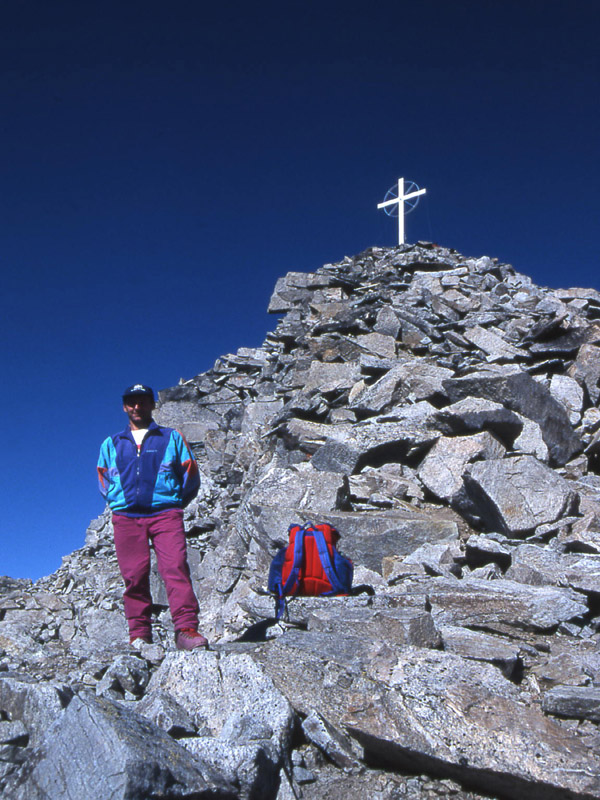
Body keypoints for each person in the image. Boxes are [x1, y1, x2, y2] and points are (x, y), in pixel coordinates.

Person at [97, 383, 208, 650]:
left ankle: (186, 629)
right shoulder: (111, 443)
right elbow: (103, 479)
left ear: (152, 405)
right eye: (132, 402)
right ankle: (139, 635)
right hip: (126, 517)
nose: (137, 407)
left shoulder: (171, 437)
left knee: (175, 568)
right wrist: (117, 502)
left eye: (143, 401)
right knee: (134, 575)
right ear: (125, 406)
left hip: (165, 515)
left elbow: (191, 474)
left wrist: (174, 501)